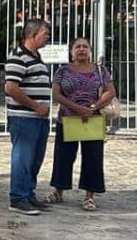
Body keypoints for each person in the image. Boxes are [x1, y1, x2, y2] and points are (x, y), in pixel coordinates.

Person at [48, 37, 115, 212]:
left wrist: (93, 108)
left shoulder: (100, 70)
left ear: (90, 50)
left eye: (85, 46)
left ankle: (89, 196)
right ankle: (58, 191)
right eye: (77, 46)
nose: (81, 49)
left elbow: (110, 91)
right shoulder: (62, 71)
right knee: (63, 157)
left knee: (93, 157)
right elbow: (56, 95)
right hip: (67, 119)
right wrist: (77, 108)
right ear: (71, 51)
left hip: (92, 119)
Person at [3, 18, 52, 216]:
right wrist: (34, 106)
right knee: (23, 157)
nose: (47, 37)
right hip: (24, 117)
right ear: (33, 35)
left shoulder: (36, 56)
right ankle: (18, 198)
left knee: (35, 158)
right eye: (45, 33)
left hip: (38, 118)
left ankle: (28, 193)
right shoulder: (18, 57)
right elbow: (11, 87)